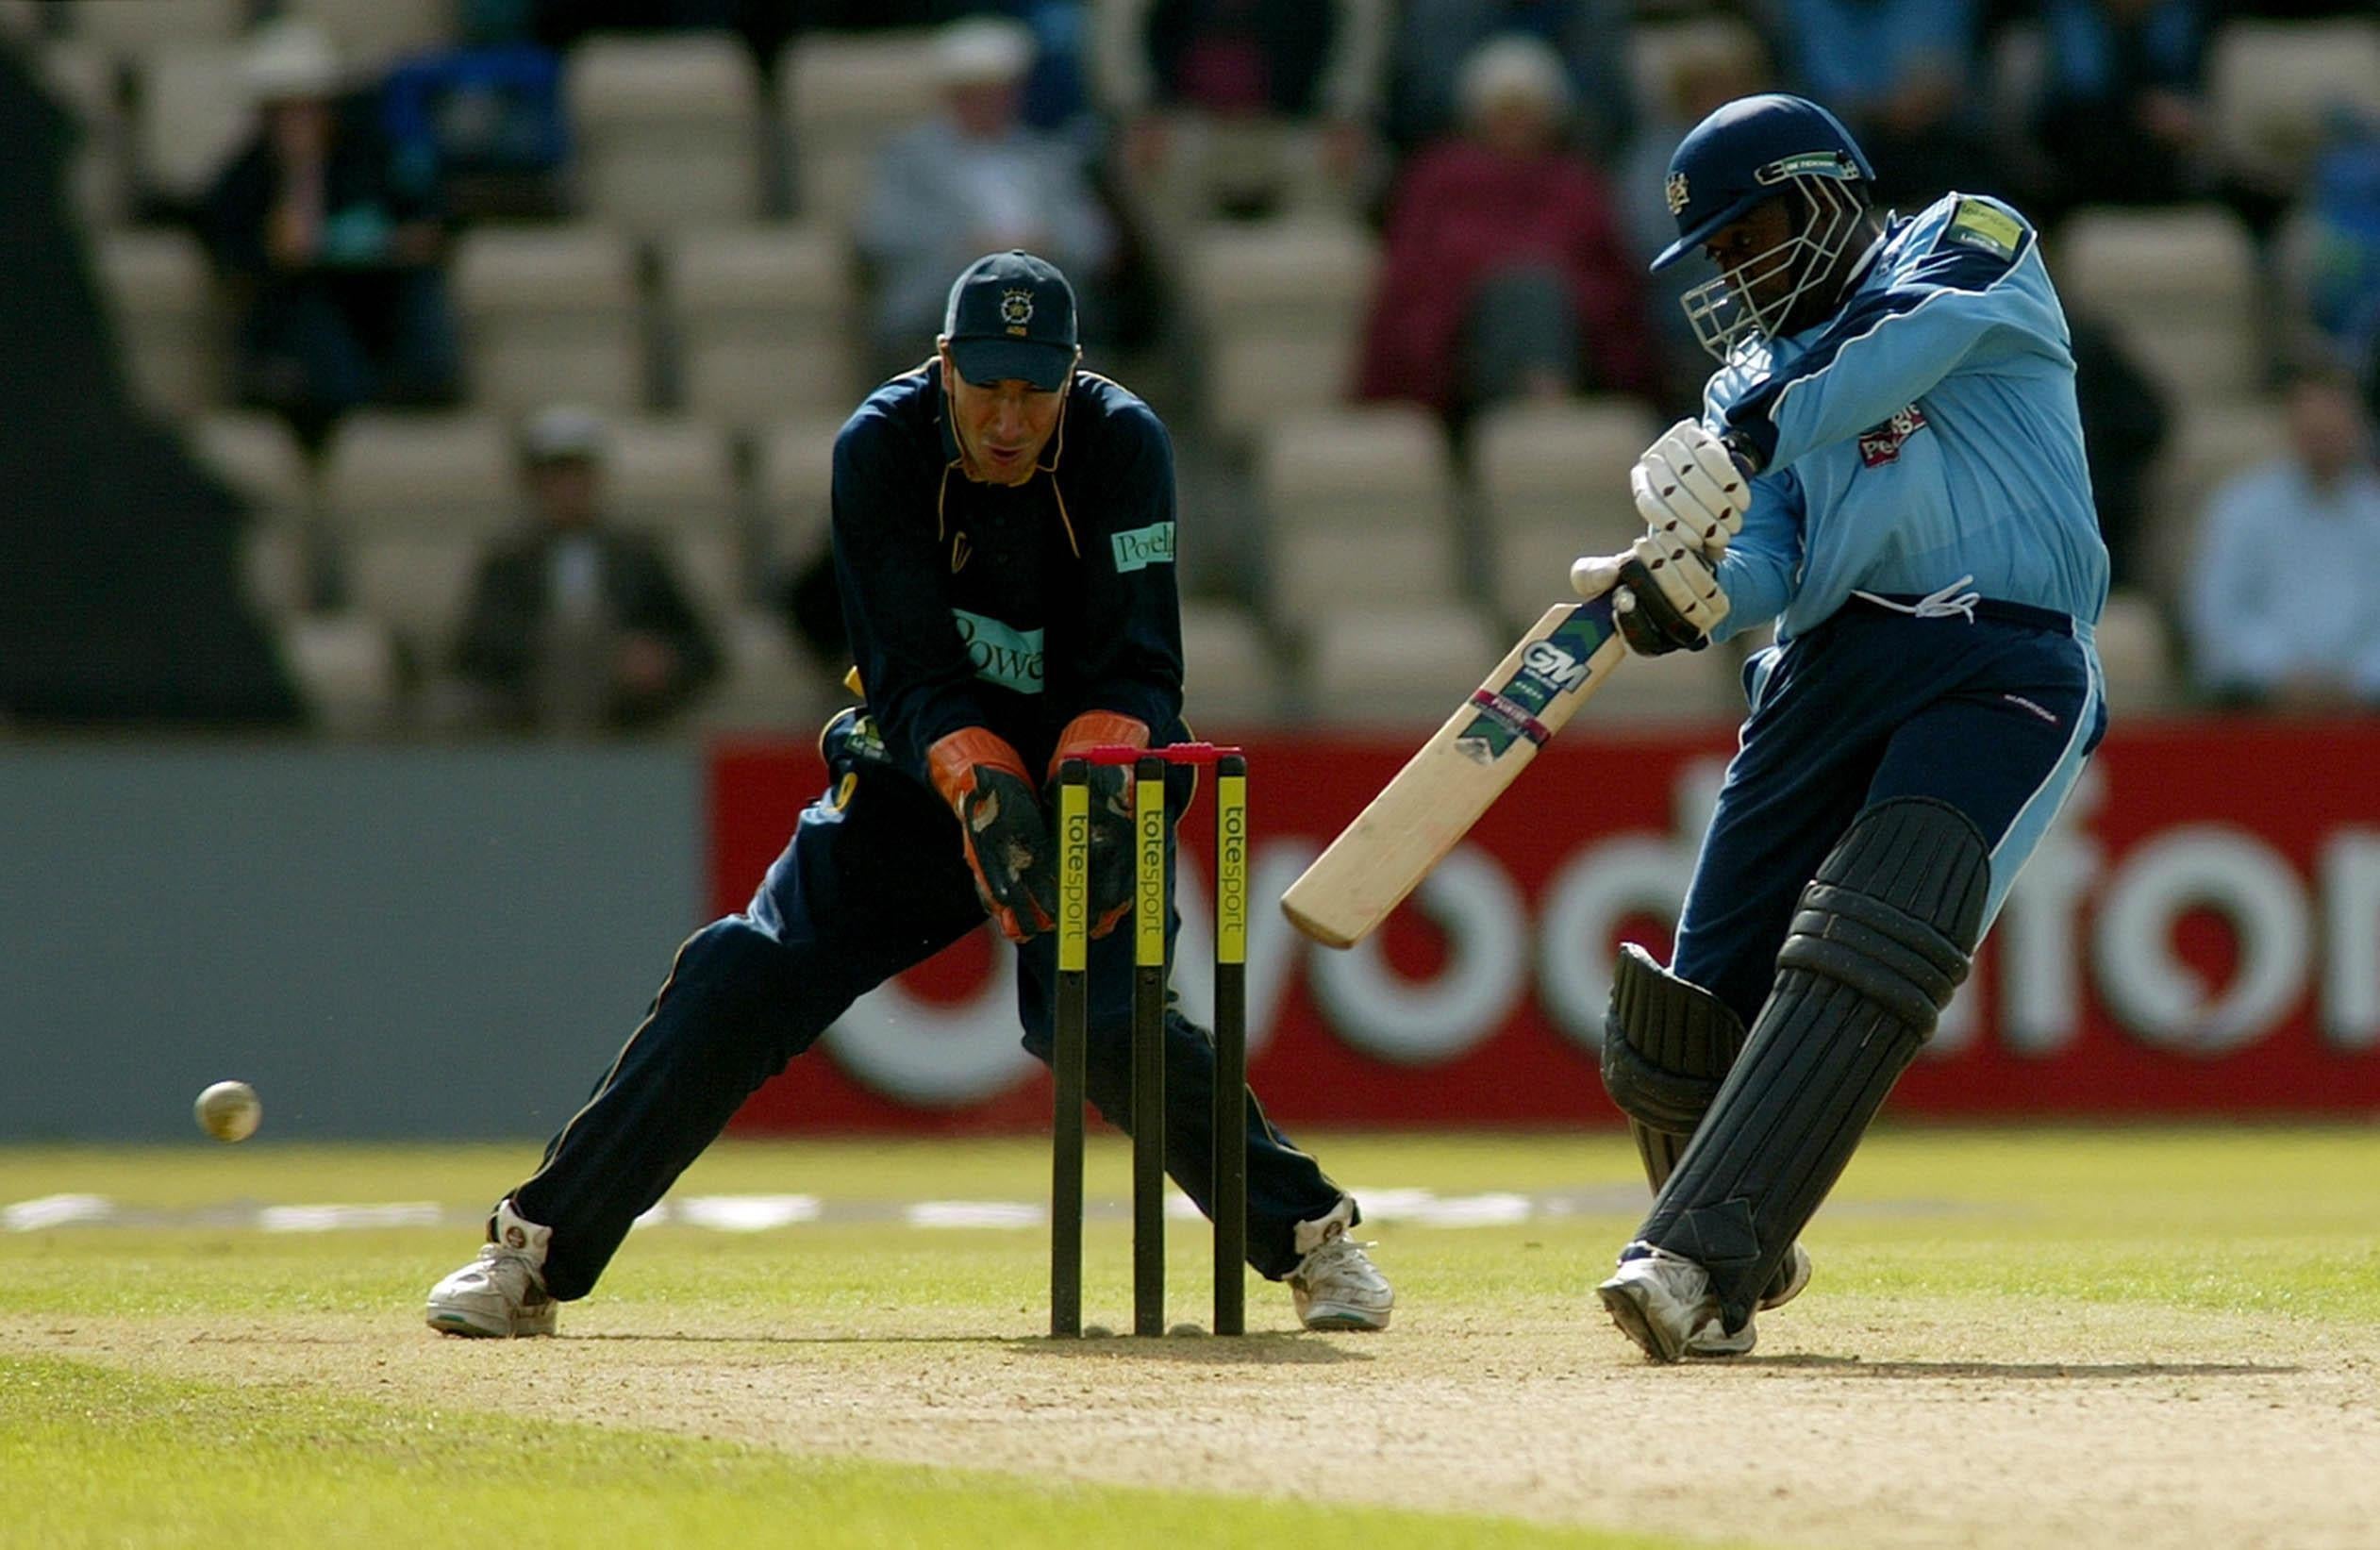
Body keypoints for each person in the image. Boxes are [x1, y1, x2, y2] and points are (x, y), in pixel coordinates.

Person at [424, 252, 1393, 1338]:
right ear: (944, 367)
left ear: (1071, 375)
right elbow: (910, 672)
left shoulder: (1125, 442)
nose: (1011, 418)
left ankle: (1315, 1242)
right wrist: (981, 787)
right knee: (743, 969)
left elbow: (1141, 668)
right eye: (988, 387)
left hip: (1092, 788)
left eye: (1036, 389)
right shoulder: (879, 447)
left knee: (1108, 1024)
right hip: (916, 781)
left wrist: (1086, 784)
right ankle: (532, 1255)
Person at [1567, 94, 2108, 1360]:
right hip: (1823, 666)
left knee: (1868, 924)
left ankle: (1692, 1260)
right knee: (1673, 1027)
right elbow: (1770, 558)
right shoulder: (1748, 380)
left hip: (1998, 654)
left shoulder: (1971, 240)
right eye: (1714, 258)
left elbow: (1888, 344)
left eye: (1744, 239)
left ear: (1817, 194)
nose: (1730, 276)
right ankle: (1736, 1237)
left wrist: (1737, 432)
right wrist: (1691, 594)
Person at [1354, 35, 1654, 425]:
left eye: (1526, 112)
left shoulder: (1575, 183)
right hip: (1458, 360)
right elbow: (1412, 281)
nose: (1515, 126)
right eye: (1503, 112)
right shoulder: (1439, 179)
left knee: (1534, 291)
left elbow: (1612, 285)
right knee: (1521, 292)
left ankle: (1543, 406)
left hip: (1576, 346)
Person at [199, 20, 461, 450]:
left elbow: (428, 222)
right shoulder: (244, 181)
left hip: (378, 294)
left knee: (421, 297)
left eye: (308, 107)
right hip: (300, 310)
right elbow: (260, 257)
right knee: (308, 315)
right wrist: (299, 178)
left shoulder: (371, 157)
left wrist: (392, 242)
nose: (298, 121)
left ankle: (422, 391)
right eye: (284, 110)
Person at [856, 18, 1115, 385]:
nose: (989, 106)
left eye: (999, 94)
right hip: (938, 312)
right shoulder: (908, 158)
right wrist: (970, 248)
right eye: (975, 95)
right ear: (951, 97)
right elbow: (881, 234)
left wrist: (1041, 244)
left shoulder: (1048, 158)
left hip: (1040, 315)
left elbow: (1094, 243)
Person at [450, 406, 723, 732]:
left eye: (577, 474)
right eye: (555, 475)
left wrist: (662, 659)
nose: (567, 487)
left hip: (629, 715)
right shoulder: (507, 562)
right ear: (533, 483)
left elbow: (702, 648)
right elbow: (474, 650)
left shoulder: (640, 556)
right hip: (529, 714)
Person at [2185, 368, 2380, 709]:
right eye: (2312, 428)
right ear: (2292, 426)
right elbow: (2215, 613)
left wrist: (2359, 679)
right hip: (2260, 702)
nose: (2322, 437)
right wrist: (2279, 672)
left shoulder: (2373, 512)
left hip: (2364, 705)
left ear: (2356, 424)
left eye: (2331, 427)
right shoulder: (2241, 508)